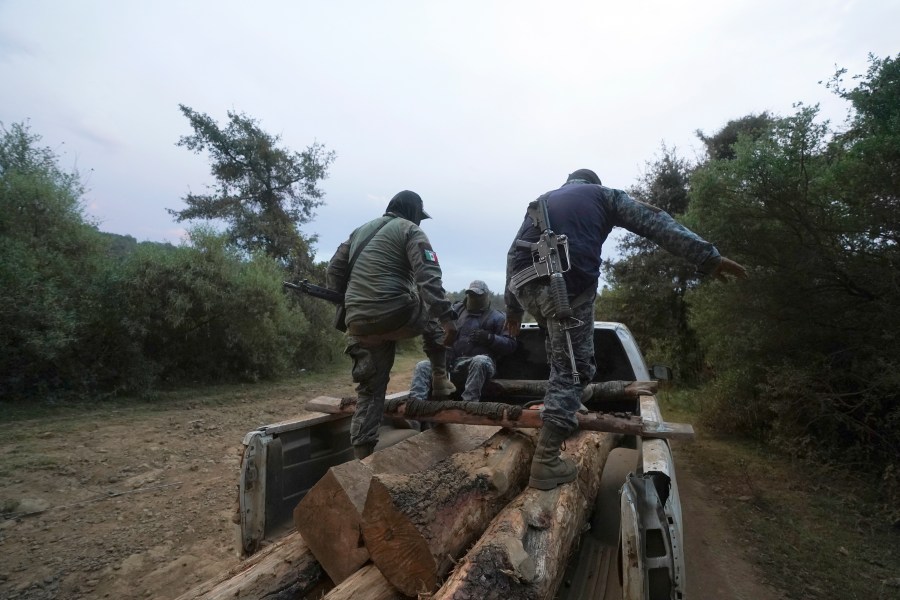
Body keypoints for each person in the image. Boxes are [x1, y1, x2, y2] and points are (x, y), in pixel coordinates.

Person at [504, 168, 747, 490]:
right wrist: (707, 257)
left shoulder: (541, 202)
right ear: (594, 183)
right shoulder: (606, 196)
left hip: (524, 285)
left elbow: (512, 253)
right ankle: (546, 462)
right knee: (575, 370)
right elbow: (655, 222)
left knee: (558, 348)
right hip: (567, 283)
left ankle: (567, 404)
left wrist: (512, 309)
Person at [327, 190, 458, 459]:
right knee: (431, 304)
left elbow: (333, 270)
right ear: (413, 212)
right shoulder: (410, 230)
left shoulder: (359, 232)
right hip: (396, 312)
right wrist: (446, 319)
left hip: (358, 321)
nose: (420, 222)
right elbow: (428, 276)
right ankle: (440, 378)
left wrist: (353, 301)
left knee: (370, 393)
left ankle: (362, 459)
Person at [409, 280, 517, 402]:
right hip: (453, 363)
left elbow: (511, 345)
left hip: (482, 365)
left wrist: (490, 338)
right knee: (423, 366)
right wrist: (445, 350)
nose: (474, 298)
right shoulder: (455, 312)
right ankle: (415, 406)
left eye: (478, 295)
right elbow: (439, 333)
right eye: (471, 295)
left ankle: (468, 404)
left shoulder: (498, 317)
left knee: (479, 361)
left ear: (486, 296)